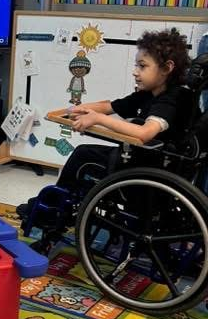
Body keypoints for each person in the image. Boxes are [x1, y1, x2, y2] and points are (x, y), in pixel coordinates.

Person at [18, 28, 192, 216]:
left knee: (82, 157)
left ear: (167, 68)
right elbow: (111, 106)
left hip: (148, 171)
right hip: (145, 163)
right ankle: (55, 203)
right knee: (83, 152)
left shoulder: (171, 99)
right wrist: (77, 109)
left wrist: (98, 119)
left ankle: (53, 208)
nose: (135, 72)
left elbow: (144, 133)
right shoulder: (149, 93)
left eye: (142, 66)